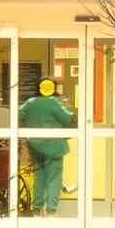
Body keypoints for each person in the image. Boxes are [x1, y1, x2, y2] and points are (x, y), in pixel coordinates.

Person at [17, 77, 74, 214]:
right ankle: (51, 212)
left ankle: (37, 210)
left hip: (35, 146)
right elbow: (67, 118)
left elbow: (20, 115)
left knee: (40, 178)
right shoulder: (53, 102)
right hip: (53, 146)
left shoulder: (30, 103)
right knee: (53, 180)